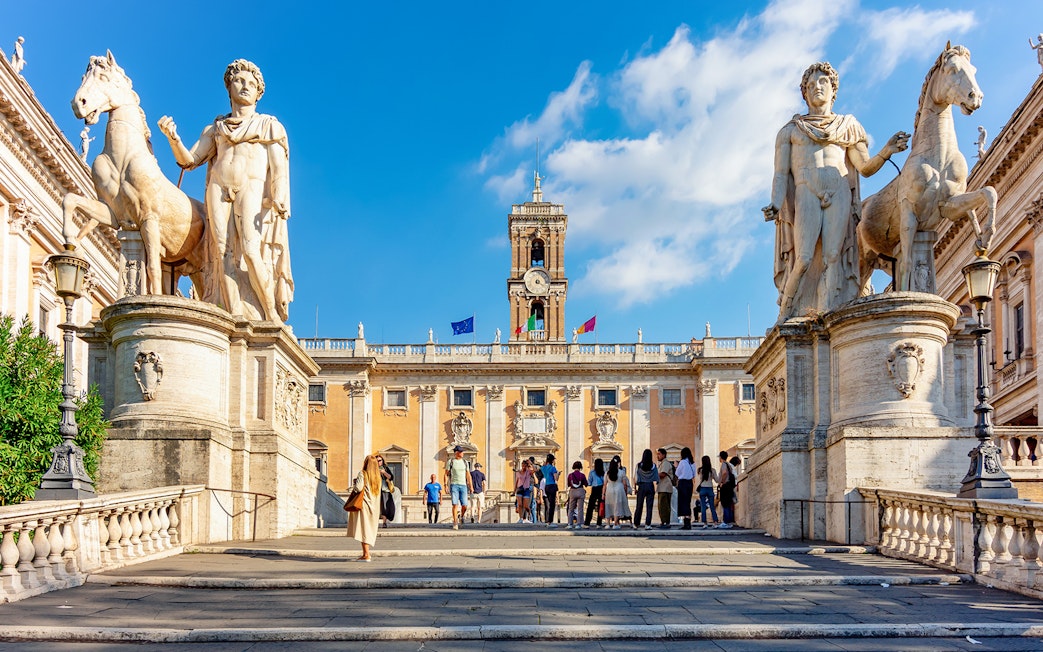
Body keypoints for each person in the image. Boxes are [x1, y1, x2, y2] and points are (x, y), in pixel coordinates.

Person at [762, 61, 909, 321]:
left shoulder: (848, 127)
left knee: (833, 257)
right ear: (804, 93)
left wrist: (886, 151)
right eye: (810, 85)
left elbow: (864, 167)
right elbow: (781, 174)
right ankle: (785, 314)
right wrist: (775, 204)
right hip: (807, 190)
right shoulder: (790, 131)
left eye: (823, 83)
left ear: (833, 90)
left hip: (839, 190)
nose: (816, 87)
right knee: (804, 257)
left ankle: (827, 316)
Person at [158, 59, 293, 322]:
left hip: (250, 187)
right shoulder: (216, 128)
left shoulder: (269, 126)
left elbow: (279, 168)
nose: (245, 86)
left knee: (252, 251)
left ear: (258, 92)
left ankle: (270, 314)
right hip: (219, 188)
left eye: (251, 84)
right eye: (239, 81)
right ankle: (235, 315)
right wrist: (173, 138)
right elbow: (189, 160)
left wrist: (279, 196)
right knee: (221, 255)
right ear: (229, 87)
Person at [346, 454, 381, 561]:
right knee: (369, 529)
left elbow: (358, 488)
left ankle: (366, 554)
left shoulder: (363, 474)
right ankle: (366, 553)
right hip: (374, 506)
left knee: (364, 529)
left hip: (364, 505)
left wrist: (355, 484)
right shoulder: (378, 477)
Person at [444, 445, 473, 530]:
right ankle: (455, 522)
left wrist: (471, 486)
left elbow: (468, 475)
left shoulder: (465, 462)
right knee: (455, 504)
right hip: (454, 485)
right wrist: (445, 485)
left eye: (462, 451)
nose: (462, 453)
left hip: (463, 485)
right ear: (456, 453)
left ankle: (461, 516)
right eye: (461, 451)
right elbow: (446, 474)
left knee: (465, 505)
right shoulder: (451, 462)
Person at [632, 449, 658, 530]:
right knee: (649, 506)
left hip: (642, 486)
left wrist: (635, 487)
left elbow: (635, 477)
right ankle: (648, 524)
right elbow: (656, 478)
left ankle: (636, 523)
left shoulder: (639, 465)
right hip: (650, 485)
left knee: (639, 505)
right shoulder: (653, 466)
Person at [603, 457, 627, 530]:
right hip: (619, 489)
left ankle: (607, 523)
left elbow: (604, 484)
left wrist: (603, 494)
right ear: (618, 464)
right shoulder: (621, 472)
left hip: (609, 489)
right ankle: (616, 523)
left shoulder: (607, 473)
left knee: (608, 506)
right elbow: (625, 484)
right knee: (617, 506)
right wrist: (625, 492)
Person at [675, 447, 696, 530]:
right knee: (688, 502)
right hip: (690, 483)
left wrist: (676, 466)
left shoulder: (682, 462)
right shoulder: (692, 463)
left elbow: (677, 473)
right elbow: (694, 475)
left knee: (682, 502)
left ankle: (685, 522)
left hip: (683, 483)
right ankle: (688, 521)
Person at [696, 455, 719, 527]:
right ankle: (715, 522)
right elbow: (717, 480)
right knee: (712, 506)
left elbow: (700, 478)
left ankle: (705, 523)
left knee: (703, 507)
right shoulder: (712, 470)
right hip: (710, 488)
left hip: (702, 488)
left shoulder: (700, 470)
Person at [655, 448, 675, 529]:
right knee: (661, 506)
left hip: (665, 487)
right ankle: (663, 521)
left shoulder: (666, 463)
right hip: (662, 487)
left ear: (663, 455)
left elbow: (663, 474)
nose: (657, 456)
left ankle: (666, 522)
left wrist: (654, 474)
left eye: (659, 454)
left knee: (664, 506)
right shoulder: (662, 463)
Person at [565, 461, 588, 529]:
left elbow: (569, 484)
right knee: (580, 509)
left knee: (571, 509)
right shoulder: (582, 475)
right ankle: (579, 524)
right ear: (580, 467)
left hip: (572, 491)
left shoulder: (570, 475)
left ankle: (570, 524)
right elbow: (586, 484)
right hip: (580, 491)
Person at [584, 458, 606, 529]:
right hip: (601, 489)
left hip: (594, 489)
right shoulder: (603, 472)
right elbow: (605, 482)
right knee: (600, 506)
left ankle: (587, 523)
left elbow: (589, 482)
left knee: (590, 506)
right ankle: (599, 523)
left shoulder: (592, 472)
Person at [718, 451, 737, 528]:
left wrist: (722, 482)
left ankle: (725, 521)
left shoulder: (723, 464)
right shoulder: (729, 465)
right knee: (729, 504)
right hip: (730, 486)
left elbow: (724, 473)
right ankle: (728, 521)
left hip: (725, 486)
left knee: (725, 503)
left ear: (721, 457)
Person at [376, 454, 395, 528]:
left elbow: (391, 477)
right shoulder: (372, 469)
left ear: (382, 461)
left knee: (385, 506)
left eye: (380, 460)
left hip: (384, 490)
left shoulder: (385, 468)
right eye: (377, 461)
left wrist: (384, 472)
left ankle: (384, 522)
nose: (378, 462)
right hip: (375, 490)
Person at [541, 454, 560, 526]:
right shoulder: (553, 468)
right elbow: (556, 478)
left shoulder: (543, 468)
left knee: (548, 504)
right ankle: (550, 521)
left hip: (546, 486)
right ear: (552, 460)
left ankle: (548, 520)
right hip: (552, 485)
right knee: (552, 505)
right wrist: (558, 474)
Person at [514, 459, 535, 524]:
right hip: (519, 489)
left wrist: (530, 464)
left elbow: (535, 470)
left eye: (524, 466)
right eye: (522, 465)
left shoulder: (528, 472)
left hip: (526, 489)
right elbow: (517, 482)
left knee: (526, 506)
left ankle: (529, 515)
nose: (523, 467)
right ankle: (521, 518)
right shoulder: (518, 472)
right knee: (520, 505)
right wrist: (514, 491)